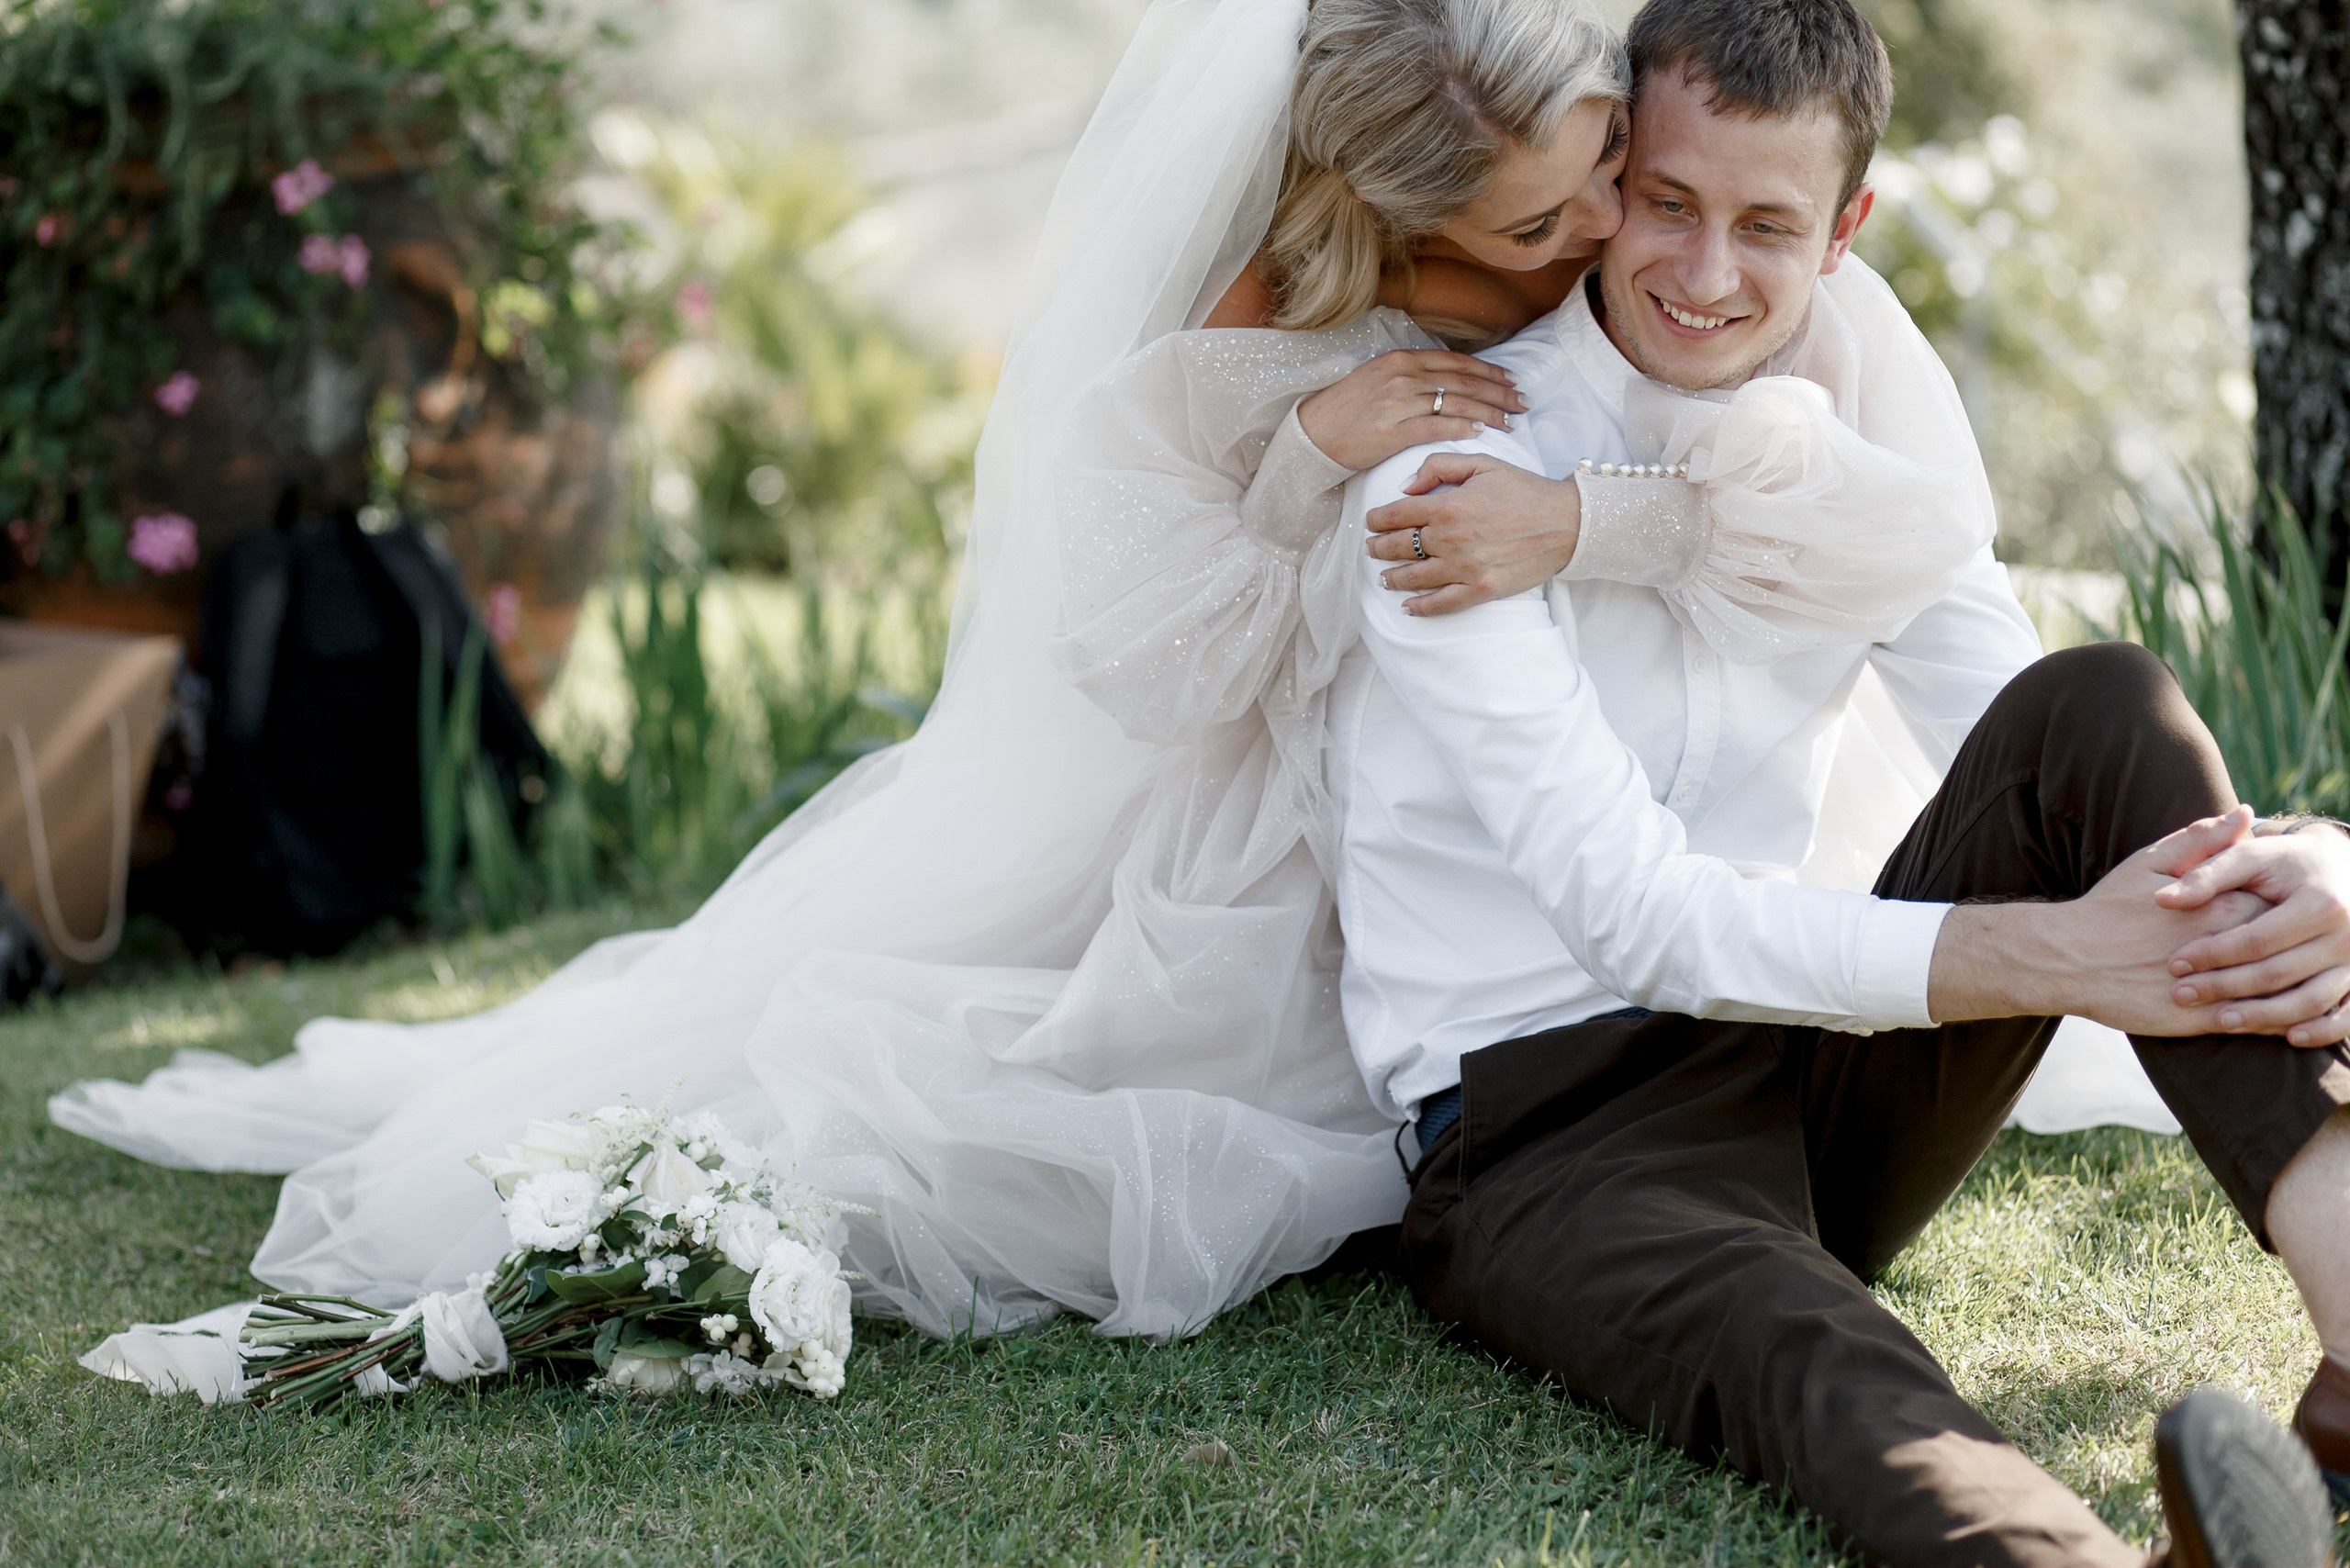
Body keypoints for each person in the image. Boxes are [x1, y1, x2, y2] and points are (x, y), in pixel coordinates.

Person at [53, 0, 1986, 1346]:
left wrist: (1590, 526)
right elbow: (1161, 659)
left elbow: (1805, 506)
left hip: (1501, 773)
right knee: (992, 1098)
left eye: (1601, 181)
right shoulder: (1241, 346)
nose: (1599, 242)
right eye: (1541, 220)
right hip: (1279, 792)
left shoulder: (1648, 231)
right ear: (1400, 216)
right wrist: (1317, 460)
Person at [1335, 0, 2350, 1562]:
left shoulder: (1862, 421)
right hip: (1545, 1132)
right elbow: (1637, 919)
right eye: (1666, 203)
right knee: (1794, 1342)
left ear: (1846, 228)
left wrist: (2307, 855)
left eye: (1766, 225)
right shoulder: (1448, 481)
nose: (1704, 272)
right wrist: (2057, 953)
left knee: (2099, 699)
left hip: (1804, 1059)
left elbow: (2027, 734)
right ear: (1609, 181)